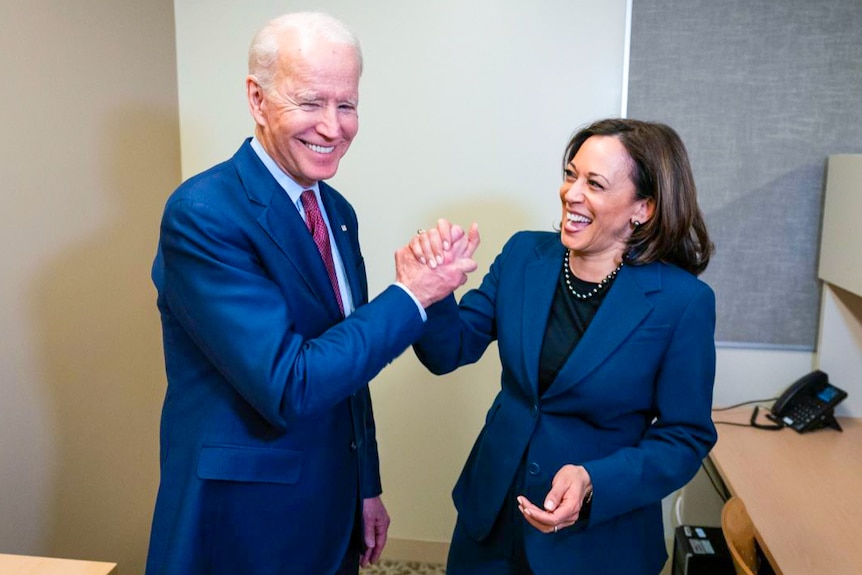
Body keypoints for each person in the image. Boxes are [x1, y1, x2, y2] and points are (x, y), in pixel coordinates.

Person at [145, 12, 478, 575]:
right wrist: (412, 294)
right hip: (242, 520)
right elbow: (291, 384)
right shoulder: (202, 215)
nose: (333, 127)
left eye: (346, 105)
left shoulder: (335, 211)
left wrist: (364, 485)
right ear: (257, 99)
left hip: (329, 503)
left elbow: (346, 362)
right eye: (310, 103)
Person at [408, 118, 717, 574]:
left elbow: (685, 437)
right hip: (493, 516)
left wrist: (595, 480)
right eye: (571, 174)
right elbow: (446, 351)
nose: (571, 193)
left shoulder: (682, 303)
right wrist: (432, 292)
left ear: (643, 208)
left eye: (595, 183)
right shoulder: (522, 256)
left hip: (596, 542)